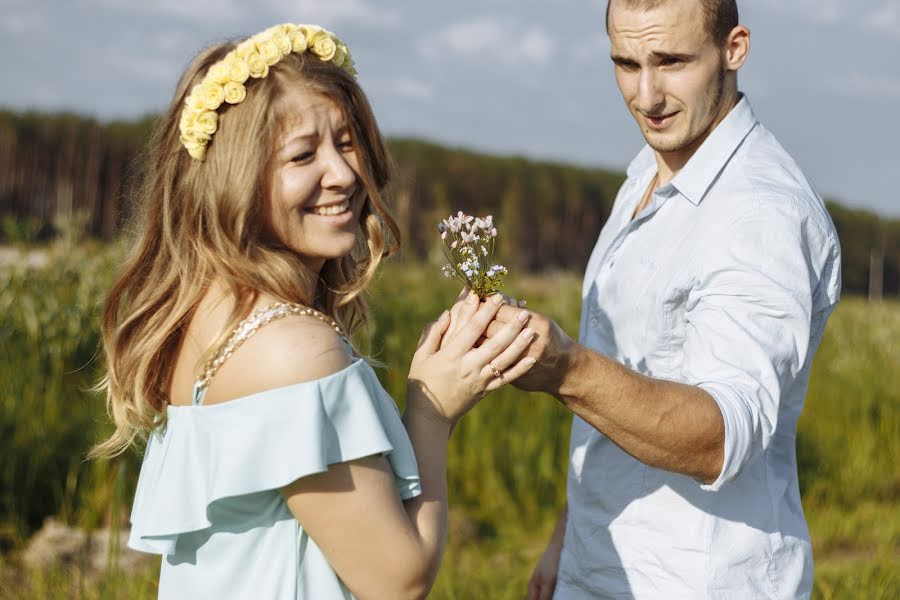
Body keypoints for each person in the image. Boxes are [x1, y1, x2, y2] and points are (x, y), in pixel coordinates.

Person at [89, 23, 537, 599]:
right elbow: (398, 580)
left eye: (346, 142)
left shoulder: (206, 317)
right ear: (236, 181)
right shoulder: (292, 350)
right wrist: (433, 413)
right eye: (303, 154)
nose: (345, 174)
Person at [491, 1, 842, 598]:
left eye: (672, 62)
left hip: (698, 580)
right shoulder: (649, 170)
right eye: (626, 63)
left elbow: (721, 438)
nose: (646, 95)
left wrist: (563, 368)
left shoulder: (759, 215)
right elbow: (625, 378)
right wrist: (565, 541)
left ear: (734, 49)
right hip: (601, 565)